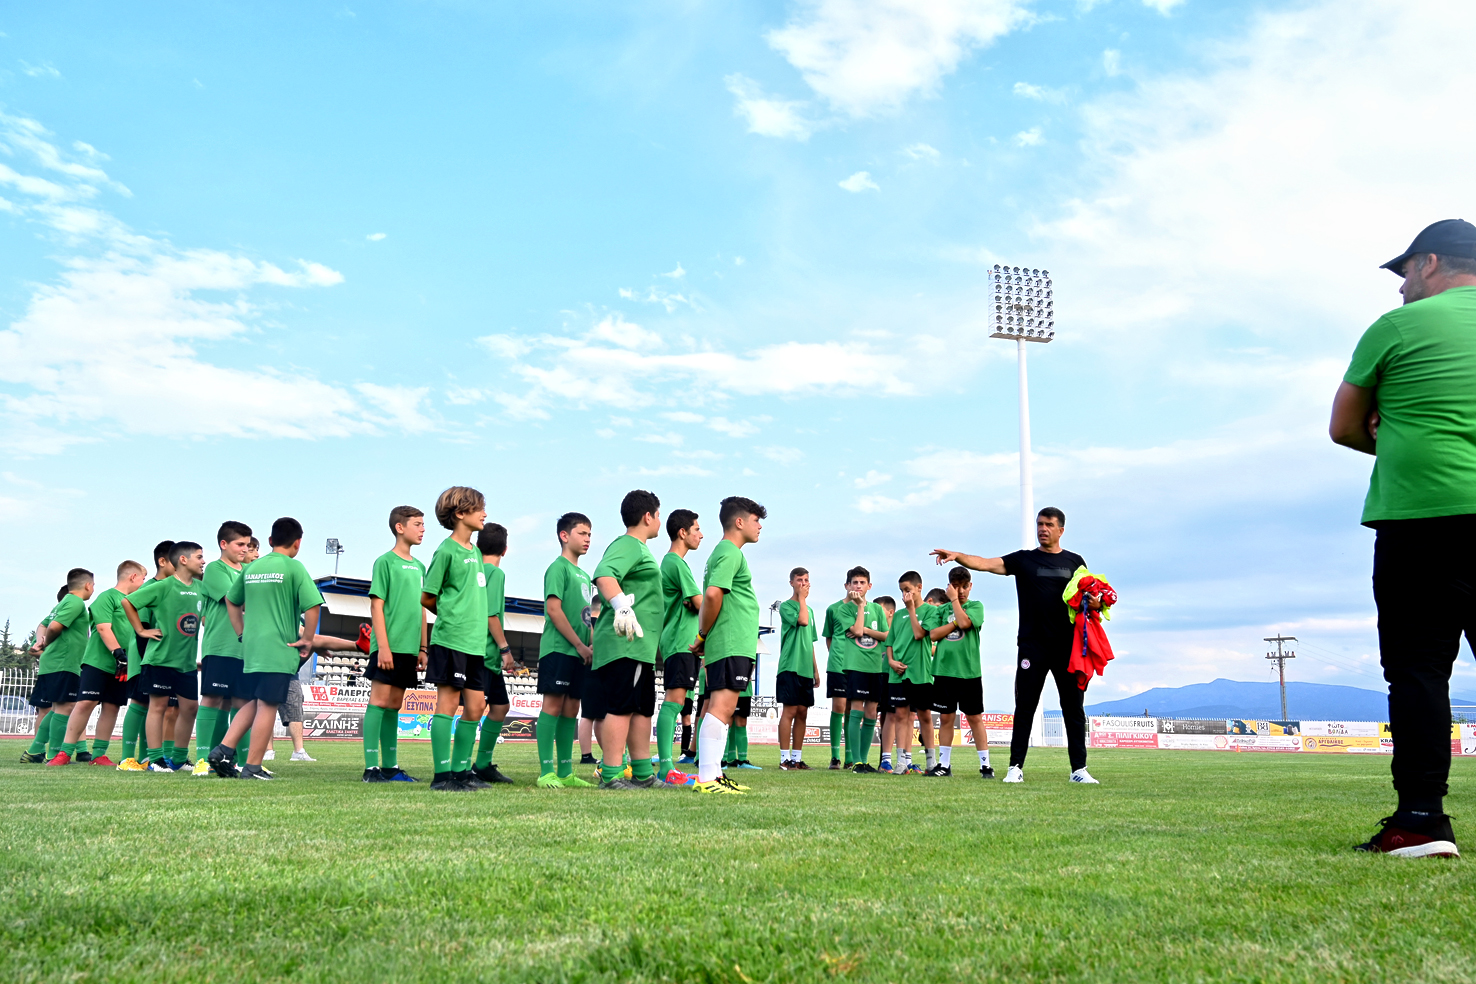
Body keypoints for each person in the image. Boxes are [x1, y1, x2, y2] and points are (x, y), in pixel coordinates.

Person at [1329, 218, 1476, 858]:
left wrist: (1392, 434)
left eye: (1405, 270)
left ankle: (1420, 821)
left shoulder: (1396, 328)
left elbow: (1342, 427)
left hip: (1423, 521)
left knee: (1419, 672)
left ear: (1431, 262)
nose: (1400, 286)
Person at [932, 506, 1099, 784]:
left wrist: (1095, 603)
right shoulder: (1024, 560)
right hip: (1032, 646)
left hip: (1067, 647)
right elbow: (985, 563)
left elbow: (1089, 595)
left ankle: (1078, 770)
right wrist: (957, 556)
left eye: (1049, 525)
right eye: (1039, 524)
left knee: (1073, 708)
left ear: (1061, 530)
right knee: (1025, 707)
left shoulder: (1075, 562)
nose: (1042, 529)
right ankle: (1015, 768)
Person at [210, 517, 323, 780]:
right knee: (268, 705)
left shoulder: (251, 567)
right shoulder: (294, 567)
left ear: (270, 540)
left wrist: (241, 632)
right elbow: (313, 605)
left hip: (252, 648)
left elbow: (231, 600)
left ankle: (223, 750)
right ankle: (252, 767)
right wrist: (307, 639)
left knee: (256, 701)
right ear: (298, 543)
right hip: (279, 647)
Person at [689, 495, 766, 794]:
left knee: (724, 707)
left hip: (731, 642)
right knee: (721, 708)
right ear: (740, 522)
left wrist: (705, 636)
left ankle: (714, 774)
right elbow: (712, 595)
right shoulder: (729, 551)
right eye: (756, 520)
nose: (760, 526)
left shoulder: (726, 553)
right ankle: (708, 777)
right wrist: (702, 635)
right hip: (730, 641)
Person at [589, 490, 666, 790]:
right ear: (648, 516)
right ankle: (611, 774)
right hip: (625, 643)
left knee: (642, 709)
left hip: (641, 647)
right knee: (621, 707)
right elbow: (604, 574)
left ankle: (643, 773)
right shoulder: (628, 544)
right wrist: (621, 605)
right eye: (658, 515)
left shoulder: (640, 549)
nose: (659, 520)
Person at [418, 487, 491, 792]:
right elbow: (427, 597)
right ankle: (442, 776)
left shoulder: (476, 552)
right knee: (447, 705)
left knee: (476, 707)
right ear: (460, 513)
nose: (485, 513)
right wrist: (452, 615)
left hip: (474, 644)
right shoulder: (446, 550)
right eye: (479, 508)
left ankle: (461, 771)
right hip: (451, 641)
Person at [52, 561, 147, 767]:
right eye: (143, 578)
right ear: (133, 577)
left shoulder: (138, 603)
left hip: (124, 665)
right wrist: (118, 653)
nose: (144, 583)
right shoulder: (108, 597)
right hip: (98, 662)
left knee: (112, 706)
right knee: (85, 703)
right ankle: (65, 752)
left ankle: (99, 754)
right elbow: (104, 628)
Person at [124, 543, 205, 772]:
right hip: (160, 659)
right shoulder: (164, 586)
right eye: (199, 557)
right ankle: (155, 759)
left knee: (190, 708)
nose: (203, 561)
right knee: (157, 707)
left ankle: (178, 759)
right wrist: (141, 630)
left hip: (186, 662)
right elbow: (128, 602)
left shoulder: (201, 587)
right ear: (183, 560)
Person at [363, 505, 427, 783]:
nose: (423, 529)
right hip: (387, 646)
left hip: (409, 649)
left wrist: (423, 647)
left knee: (394, 705)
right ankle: (370, 769)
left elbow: (422, 609)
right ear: (400, 527)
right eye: (417, 524)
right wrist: (383, 647)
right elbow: (376, 606)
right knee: (378, 701)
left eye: (423, 524)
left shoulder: (421, 567)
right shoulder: (385, 562)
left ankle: (390, 767)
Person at [534, 512, 597, 789]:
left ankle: (565, 772)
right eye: (582, 533)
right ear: (564, 535)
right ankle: (546, 772)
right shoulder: (557, 568)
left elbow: (585, 617)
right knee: (553, 706)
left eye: (590, 534)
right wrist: (579, 645)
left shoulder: (584, 575)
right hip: (559, 649)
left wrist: (591, 642)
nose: (587, 539)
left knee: (572, 708)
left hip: (580, 653)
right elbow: (554, 610)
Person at [194, 521, 253, 776]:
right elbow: (236, 600)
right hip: (220, 646)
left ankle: (241, 761)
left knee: (241, 702)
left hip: (246, 648)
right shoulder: (215, 569)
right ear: (223, 544)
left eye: (247, 544)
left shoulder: (250, 569)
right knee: (213, 698)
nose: (245, 549)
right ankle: (202, 759)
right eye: (240, 544)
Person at [115, 541, 175, 771]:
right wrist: (142, 659)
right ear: (163, 561)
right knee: (140, 702)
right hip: (145, 656)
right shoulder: (150, 588)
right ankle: (126, 758)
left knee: (155, 706)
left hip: (165, 658)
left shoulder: (174, 587)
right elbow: (142, 627)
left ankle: (146, 757)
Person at [928, 566, 993, 778]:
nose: (961, 591)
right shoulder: (940, 611)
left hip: (969, 672)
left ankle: (985, 765)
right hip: (944, 672)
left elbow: (965, 623)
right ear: (950, 586)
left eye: (964, 586)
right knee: (946, 718)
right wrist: (954, 619)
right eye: (956, 587)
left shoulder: (976, 606)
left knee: (975, 718)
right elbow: (933, 635)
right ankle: (944, 765)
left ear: (970, 586)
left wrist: (955, 602)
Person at [26, 569, 94, 764]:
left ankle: (35, 751)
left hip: (54, 663)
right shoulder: (76, 602)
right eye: (93, 586)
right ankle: (54, 754)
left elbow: (43, 625)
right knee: (66, 708)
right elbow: (54, 626)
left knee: (57, 709)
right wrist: (45, 643)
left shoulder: (63, 603)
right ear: (87, 585)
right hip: (65, 663)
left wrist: (40, 642)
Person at [657, 508, 703, 783]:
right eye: (696, 529)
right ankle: (665, 767)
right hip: (680, 643)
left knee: (677, 702)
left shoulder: (673, 563)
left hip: (681, 643)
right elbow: (700, 603)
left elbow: (693, 602)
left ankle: (667, 765)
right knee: (674, 702)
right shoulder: (675, 562)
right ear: (682, 532)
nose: (701, 534)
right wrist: (698, 603)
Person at [885, 572, 942, 775]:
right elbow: (890, 642)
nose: (904, 595)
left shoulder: (930, 611)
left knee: (924, 715)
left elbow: (919, 634)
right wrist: (891, 661)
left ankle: (931, 762)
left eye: (907, 590)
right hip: (898, 673)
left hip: (921, 672)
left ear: (919, 588)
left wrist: (911, 609)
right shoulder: (898, 615)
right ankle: (901, 762)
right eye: (902, 591)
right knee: (900, 715)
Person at [472, 522, 515, 785]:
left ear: (478, 546)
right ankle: (467, 767)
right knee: (474, 710)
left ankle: (482, 765)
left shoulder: (475, 569)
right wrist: (505, 650)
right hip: (485, 654)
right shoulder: (495, 573)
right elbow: (491, 615)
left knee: (500, 706)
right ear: (505, 550)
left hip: (478, 653)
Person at [776, 567, 818, 770]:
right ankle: (784, 758)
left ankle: (797, 758)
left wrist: (815, 670)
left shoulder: (810, 610)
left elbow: (810, 642)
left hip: (805, 669)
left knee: (802, 712)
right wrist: (801, 598)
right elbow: (802, 621)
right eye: (799, 580)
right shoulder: (786, 606)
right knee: (790, 711)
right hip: (790, 666)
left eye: (806, 580)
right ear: (791, 582)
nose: (803, 583)